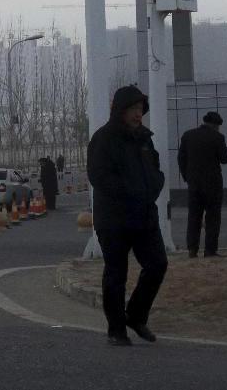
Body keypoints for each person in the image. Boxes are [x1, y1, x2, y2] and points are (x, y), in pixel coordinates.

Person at [87, 85, 168, 346]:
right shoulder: (104, 139)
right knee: (116, 274)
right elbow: (99, 177)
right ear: (120, 110)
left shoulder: (144, 138)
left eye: (140, 109)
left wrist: (154, 186)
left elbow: (155, 169)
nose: (137, 114)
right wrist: (130, 193)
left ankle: (136, 315)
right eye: (133, 108)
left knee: (157, 264)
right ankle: (116, 329)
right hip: (114, 219)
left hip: (144, 216)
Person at [177, 111, 227, 257]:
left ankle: (192, 249)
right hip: (213, 184)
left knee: (194, 216)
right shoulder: (218, 137)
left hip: (194, 184)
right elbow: (225, 159)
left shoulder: (188, 135)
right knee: (213, 217)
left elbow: (181, 158)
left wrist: (187, 177)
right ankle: (210, 250)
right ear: (216, 125)